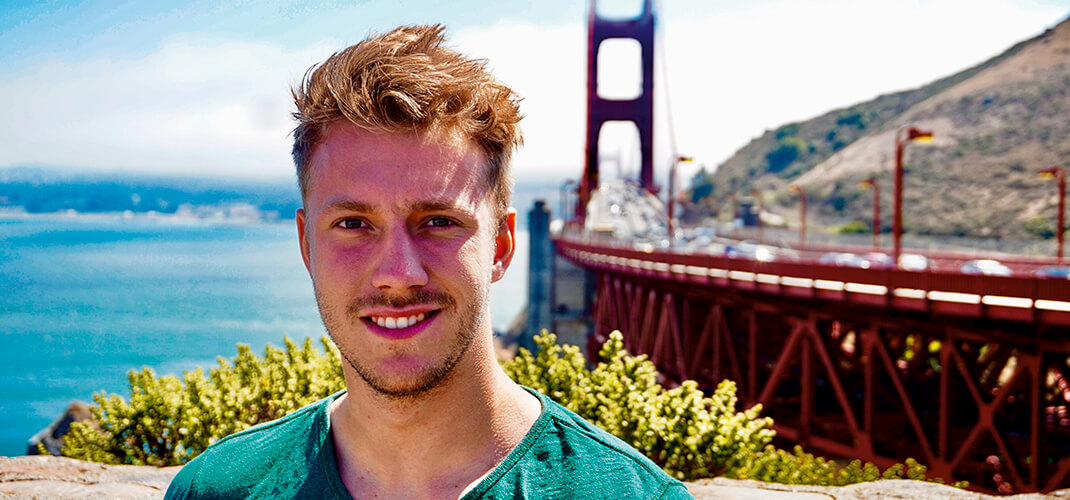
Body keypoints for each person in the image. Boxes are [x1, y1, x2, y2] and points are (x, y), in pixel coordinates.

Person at [165, 24, 692, 499]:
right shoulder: (213, 491)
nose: (399, 273)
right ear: (307, 246)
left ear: (502, 246)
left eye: (438, 222)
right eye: (353, 224)